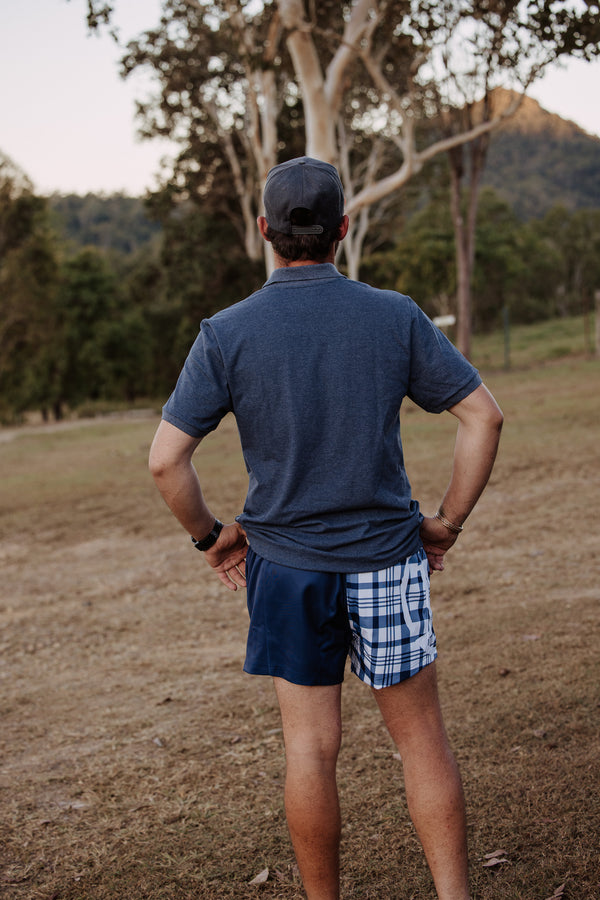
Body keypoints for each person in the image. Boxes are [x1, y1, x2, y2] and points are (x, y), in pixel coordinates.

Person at [149, 156, 503, 900]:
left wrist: (211, 538)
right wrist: (448, 523)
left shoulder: (227, 332)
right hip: (386, 560)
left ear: (264, 233)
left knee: (310, 750)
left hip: (284, 568)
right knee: (421, 741)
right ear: (343, 229)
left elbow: (166, 462)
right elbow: (483, 417)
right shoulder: (395, 315)